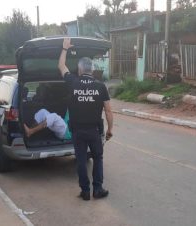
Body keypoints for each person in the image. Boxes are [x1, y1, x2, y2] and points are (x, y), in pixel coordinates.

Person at [58, 37, 113, 201]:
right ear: (92, 70)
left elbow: (61, 66)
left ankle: (85, 191)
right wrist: (110, 130)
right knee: (97, 158)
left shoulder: (72, 82)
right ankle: (98, 189)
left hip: (77, 130)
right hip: (94, 131)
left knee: (81, 160)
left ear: (80, 70)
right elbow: (108, 111)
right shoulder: (100, 86)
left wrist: (65, 48)